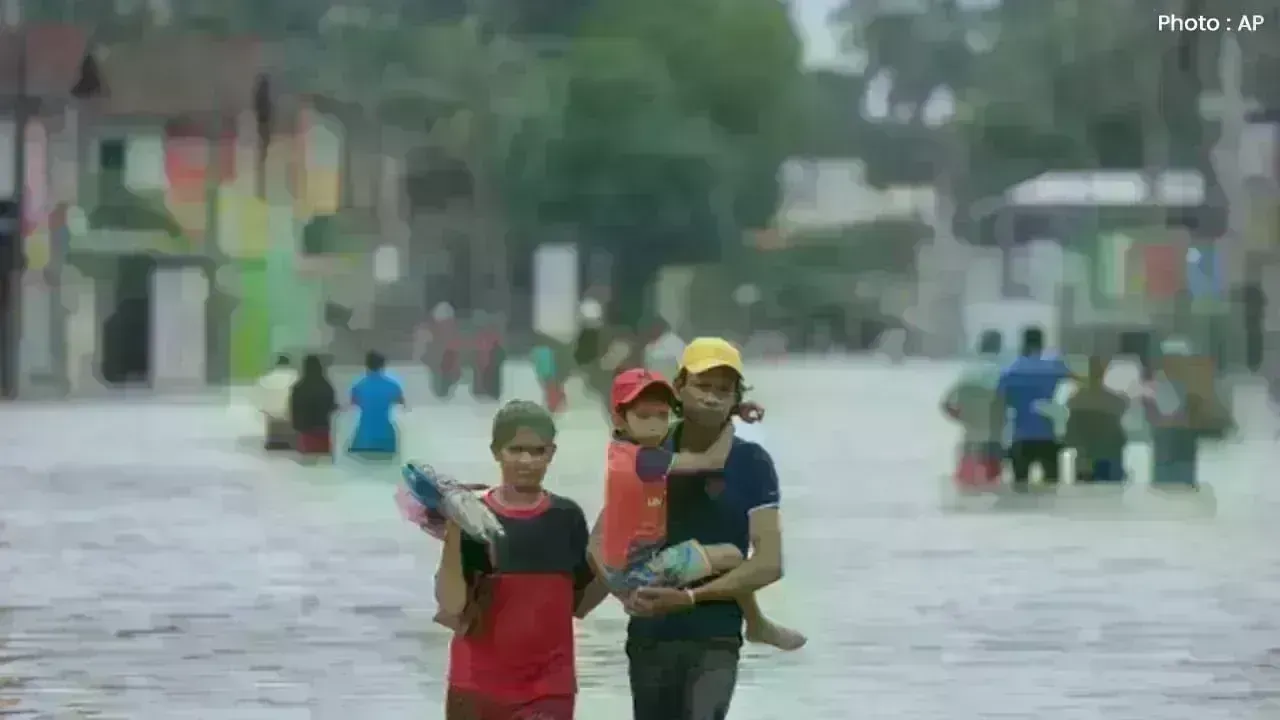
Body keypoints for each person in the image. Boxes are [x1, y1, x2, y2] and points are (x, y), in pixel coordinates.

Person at [621, 338, 794, 720]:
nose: (713, 398)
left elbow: (769, 563)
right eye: (703, 386)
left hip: (716, 632)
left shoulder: (752, 462)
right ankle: (759, 622)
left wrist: (692, 599)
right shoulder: (650, 451)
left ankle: (756, 623)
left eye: (724, 391)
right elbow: (610, 537)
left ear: (736, 396)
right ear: (679, 388)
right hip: (652, 629)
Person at [596, 368, 803, 655]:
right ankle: (757, 624)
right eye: (645, 417)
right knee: (731, 554)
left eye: (661, 415)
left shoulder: (622, 451)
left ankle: (757, 624)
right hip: (642, 573)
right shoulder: (645, 460)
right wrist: (730, 417)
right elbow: (712, 460)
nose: (656, 425)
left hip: (625, 569)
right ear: (620, 419)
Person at [434, 400, 606, 720]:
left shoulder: (566, 518)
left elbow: (579, 605)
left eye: (537, 451)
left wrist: (613, 565)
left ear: (551, 454)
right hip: (476, 687)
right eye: (516, 450)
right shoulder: (474, 518)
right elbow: (452, 605)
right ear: (496, 451)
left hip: (548, 689)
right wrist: (454, 527)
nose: (526, 461)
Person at [997, 326, 1074, 489]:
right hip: (1048, 437)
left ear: (1022, 343)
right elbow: (1075, 378)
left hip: (1021, 437)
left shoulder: (1011, 370)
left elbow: (1001, 401)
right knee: (1052, 491)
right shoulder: (1054, 367)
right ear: (1042, 344)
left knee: (1019, 490)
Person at [941, 330, 1005, 489]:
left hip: (970, 434)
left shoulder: (966, 371)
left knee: (964, 484)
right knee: (994, 485)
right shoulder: (1002, 371)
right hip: (994, 435)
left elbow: (946, 403)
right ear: (999, 347)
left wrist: (961, 418)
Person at [1064, 356, 1129, 483]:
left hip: (1087, 456)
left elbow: (1070, 432)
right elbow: (1122, 405)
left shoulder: (1078, 399)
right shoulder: (1111, 400)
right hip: (1107, 454)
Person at [348, 351, 405, 461]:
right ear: (383, 366)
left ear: (366, 365)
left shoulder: (358, 386)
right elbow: (402, 404)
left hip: (364, 437)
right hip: (386, 437)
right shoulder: (393, 386)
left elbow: (353, 404)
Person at [289, 354, 337, 460]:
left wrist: (296, 426)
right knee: (323, 460)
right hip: (324, 430)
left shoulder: (299, 387)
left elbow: (294, 409)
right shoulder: (326, 386)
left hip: (307, 431)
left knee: (309, 459)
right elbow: (332, 407)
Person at [257, 354, 297, 450]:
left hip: (270, 412)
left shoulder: (266, 378)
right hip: (289, 411)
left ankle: (273, 439)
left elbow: (260, 395)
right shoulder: (294, 376)